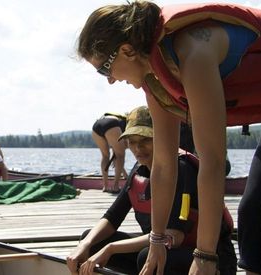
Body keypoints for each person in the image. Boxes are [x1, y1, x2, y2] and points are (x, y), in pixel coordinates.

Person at [77, 2, 261, 275]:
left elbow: (213, 162)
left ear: (127, 50)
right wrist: (155, 240)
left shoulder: (192, 52)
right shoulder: (155, 82)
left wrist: (205, 255)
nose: (110, 79)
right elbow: (164, 166)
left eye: (105, 68)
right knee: (251, 213)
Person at [67, 106, 236, 275]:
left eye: (145, 140)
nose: (138, 149)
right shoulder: (138, 170)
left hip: (211, 262)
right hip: (160, 250)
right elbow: (112, 218)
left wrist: (111, 248)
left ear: (161, 137)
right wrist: (85, 244)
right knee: (92, 240)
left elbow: (173, 235)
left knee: (146, 256)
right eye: (132, 142)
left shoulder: (182, 169)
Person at [92, 112, 129, 193]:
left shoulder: (121, 120)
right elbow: (120, 153)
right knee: (121, 156)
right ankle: (115, 187)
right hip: (111, 124)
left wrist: (126, 175)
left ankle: (105, 186)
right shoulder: (129, 125)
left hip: (97, 125)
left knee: (105, 156)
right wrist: (126, 175)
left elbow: (115, 156)